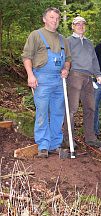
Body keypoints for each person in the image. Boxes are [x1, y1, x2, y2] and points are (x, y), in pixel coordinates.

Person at [22, 7, 71, 158]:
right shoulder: (36, 35)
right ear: (44, 19)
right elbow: (26, 57)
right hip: (41, 79)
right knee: (42, 112)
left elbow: (68, 59)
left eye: (57, 18)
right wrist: (30, 75)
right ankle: (43, 146)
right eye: (51, 17)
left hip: (58, 80)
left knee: (57, 113)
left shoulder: (63, 39)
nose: (55, 21)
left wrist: (66, 69)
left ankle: (55, 145)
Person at [64, 16, 101, 150]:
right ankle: (68, 138)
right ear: (73, 26)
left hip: (89, 78)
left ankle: (90, 137)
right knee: (72, 108)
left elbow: (94, 60)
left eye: (83, 24)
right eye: (78, 24)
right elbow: (64, 58)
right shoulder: (68, 41)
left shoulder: (89, 43)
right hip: (75, 75)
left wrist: (98, 75)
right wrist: (65, 70)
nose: (81, 26)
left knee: (90, 107)